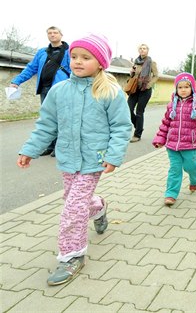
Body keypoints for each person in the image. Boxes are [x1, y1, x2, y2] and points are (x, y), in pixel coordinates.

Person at [16, 34, 132, 286]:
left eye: (86, 57)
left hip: (94, 161)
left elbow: (122, 127)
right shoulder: (59, 91)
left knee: (72, 209)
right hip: (68, 158)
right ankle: (99, 207)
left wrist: (114, 156)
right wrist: (29, 150)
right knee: (74, 201)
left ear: (100, 62)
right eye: (74, 56)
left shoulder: (109, 92)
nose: (78, 61)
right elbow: (46, 126)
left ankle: (72, 256)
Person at [152, 72, 196, 206]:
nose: (183, 90)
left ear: (193, 88)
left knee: (191, 166)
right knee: (174, 169)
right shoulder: (172, 105)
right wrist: (160, 139)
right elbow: (166, 123)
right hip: (172, 145)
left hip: (190, 144)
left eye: (186, 87)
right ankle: (171, 194)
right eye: (180, 87)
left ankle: (195, 179)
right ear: (176, 89)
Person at [10, 26, 71, 157]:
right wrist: (16, 81)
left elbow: (74, 70)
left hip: (62, 89)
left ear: (61, 35)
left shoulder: (69, 51)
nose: (52, 35)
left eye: (55, 33)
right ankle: (49, 146)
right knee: (48, 118)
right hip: (45, 89)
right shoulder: (42, 52)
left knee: (62, 118)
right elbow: (31, 68)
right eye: (50, 33)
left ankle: (59, 147)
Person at [128, 43, 158, 143]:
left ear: (147, 50)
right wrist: (131, 71)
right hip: (135, 88)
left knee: (139, 111)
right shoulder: (136, 62)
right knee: (128, 109)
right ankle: (138, 126)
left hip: (145, 90)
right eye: (140, 48)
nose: (142, 50)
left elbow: (156, 76)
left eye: (144, 48)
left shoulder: (151, 62)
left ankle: (137, 134)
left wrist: (149, 85)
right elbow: (132, 75)